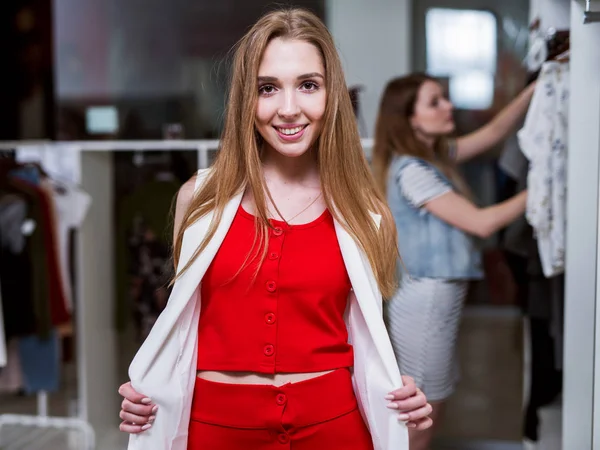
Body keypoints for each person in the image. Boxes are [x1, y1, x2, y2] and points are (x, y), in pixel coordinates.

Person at [117, 9, 433, 450]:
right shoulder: (200, 199)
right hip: (217, 430)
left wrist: (405, 395)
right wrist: (148, 388)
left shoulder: (368, 213)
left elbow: (371, 340)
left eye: (308, 85)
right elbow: (180, 326)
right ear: (247, 98)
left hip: (334, 426)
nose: (288, 109)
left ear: (331, 94)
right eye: (268, 88)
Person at [372, 73, 534, 450]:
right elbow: (482, 223)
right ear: (410, 118)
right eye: (435, 102)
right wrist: (545, 187)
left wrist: (536, 88)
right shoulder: (413, 170)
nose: (449, 107)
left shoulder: (433, 156)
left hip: (435, 300)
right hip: (425, 302)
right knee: (422, 416)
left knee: (429, 409)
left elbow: (494, 132)